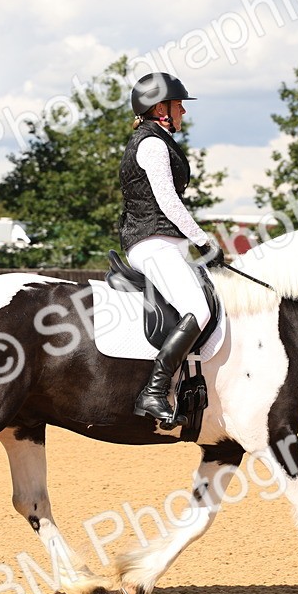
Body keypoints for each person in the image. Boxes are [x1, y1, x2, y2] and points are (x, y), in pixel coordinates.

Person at [118, 72, 224, 428]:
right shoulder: (151, 145)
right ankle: (154, 389)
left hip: (164, 243)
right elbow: (168, 203)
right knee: (197, 308)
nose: (183, 112)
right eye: (179, 105)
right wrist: (204, 240)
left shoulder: (157, 141)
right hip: (153, 242)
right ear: (160, 108)